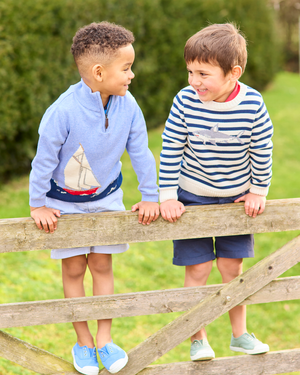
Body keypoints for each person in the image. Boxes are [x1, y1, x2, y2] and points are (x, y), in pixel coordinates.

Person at [29, 21, 159, 375]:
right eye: (127, 68)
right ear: (99, 72)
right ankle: (83, 342)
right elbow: (43, 161)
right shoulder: (62, 112)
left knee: (102, 264)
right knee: (74, 268)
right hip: (64, 202)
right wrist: (38, 203)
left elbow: (141, 152)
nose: (132, 75)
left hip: (107, 197)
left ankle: (105, 339)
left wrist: (150, 195)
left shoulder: (128, 105)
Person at [159, 23, 272, 361]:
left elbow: (262, 149)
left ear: (233, 73)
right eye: (191, 71)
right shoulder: (184, 101)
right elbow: (170, 149)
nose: (194, 81)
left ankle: (240, 335)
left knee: (231, 268)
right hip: (192, 194)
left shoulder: (252, 104)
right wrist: (167, 195)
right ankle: (198, 338)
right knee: (197, 270)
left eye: (204, 74)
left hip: (235, 198)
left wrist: (258, 190)